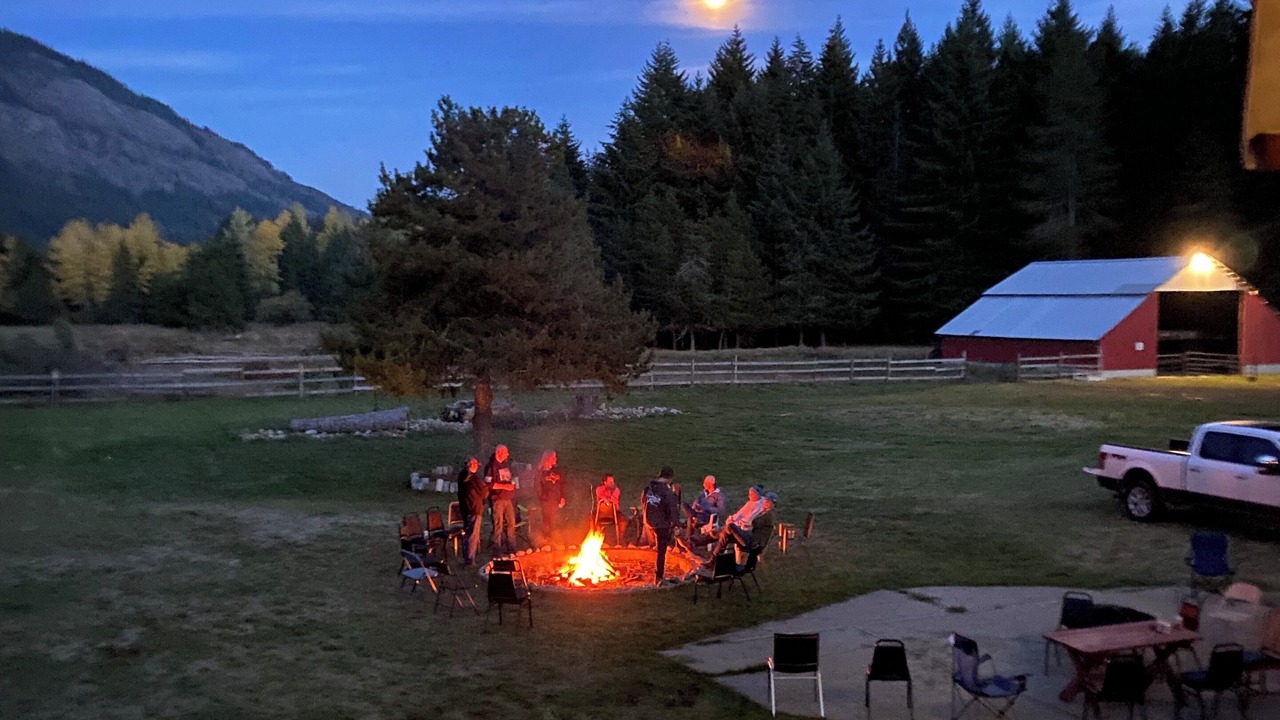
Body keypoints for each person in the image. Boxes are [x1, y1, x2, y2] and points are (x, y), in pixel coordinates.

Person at [706, 484, 767, 560]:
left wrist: (733, 523)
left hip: (745, 533)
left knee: (725, 530)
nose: (749, 496)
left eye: (751, 494)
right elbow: (739, 513)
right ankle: (714, 556)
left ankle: (710, 544)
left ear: (756, 495)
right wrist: (732, 519)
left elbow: (748, 521)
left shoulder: (759, 506)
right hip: (736, 528)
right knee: (725, 534)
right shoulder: (751, 502)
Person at [643, 466, 680, 585]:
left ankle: (658, 575)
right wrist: (676, 524)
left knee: (657, 547)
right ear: (669, 478)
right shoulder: (667, 492)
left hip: (649, 522)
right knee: (661, 551)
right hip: (661, 524)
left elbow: (643, 501)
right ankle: (659, 577)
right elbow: (672, 509)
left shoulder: (649, 488)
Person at [485, 444, 517, 555]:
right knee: (498, 524)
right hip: (497, 499)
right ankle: (497, 549)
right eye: (506, 452)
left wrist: (512, 484)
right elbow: (488, 484)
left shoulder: (506, 465)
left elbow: (510, 478)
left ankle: (511, 547)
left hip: (508, 499)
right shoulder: (491, 466)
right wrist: (504, 487)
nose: (508, 454)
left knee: (511, 523)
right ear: (499, 452)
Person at [455, 456, 487, 566]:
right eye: (476, 465)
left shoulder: (462, 476)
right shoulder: (473, 479)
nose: (477, 467)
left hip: (465, 509)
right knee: (472, 535)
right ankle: (469, 559)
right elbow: (484, 492)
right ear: (472, 466)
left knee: (468, 533)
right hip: (474, 509)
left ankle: (467, 557)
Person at [535, 450, 566, 544]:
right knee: (547, 520)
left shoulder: (557, 470)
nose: (556, 459)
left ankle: (554, 539)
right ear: (548, 458)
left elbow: (562, 484)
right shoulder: (541, 472)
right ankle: (546, 540)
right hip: (546, 500)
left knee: (555, 519)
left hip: (556, 499)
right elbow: (537, 485)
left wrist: (562, 497)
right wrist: (542, 497)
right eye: (553, 457)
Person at [593, 474, 629, 539]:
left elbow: (613, 500)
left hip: (614, 512)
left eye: (613, 482)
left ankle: (620, 539)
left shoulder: (616, 490)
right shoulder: (599, 489)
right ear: (605, 482)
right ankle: (594, 536)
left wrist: (609, 499)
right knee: (592, 518)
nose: (612, 484)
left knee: (623, 520)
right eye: (610, 482)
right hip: (600, 512)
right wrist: (605, 499)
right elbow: (601, 496)